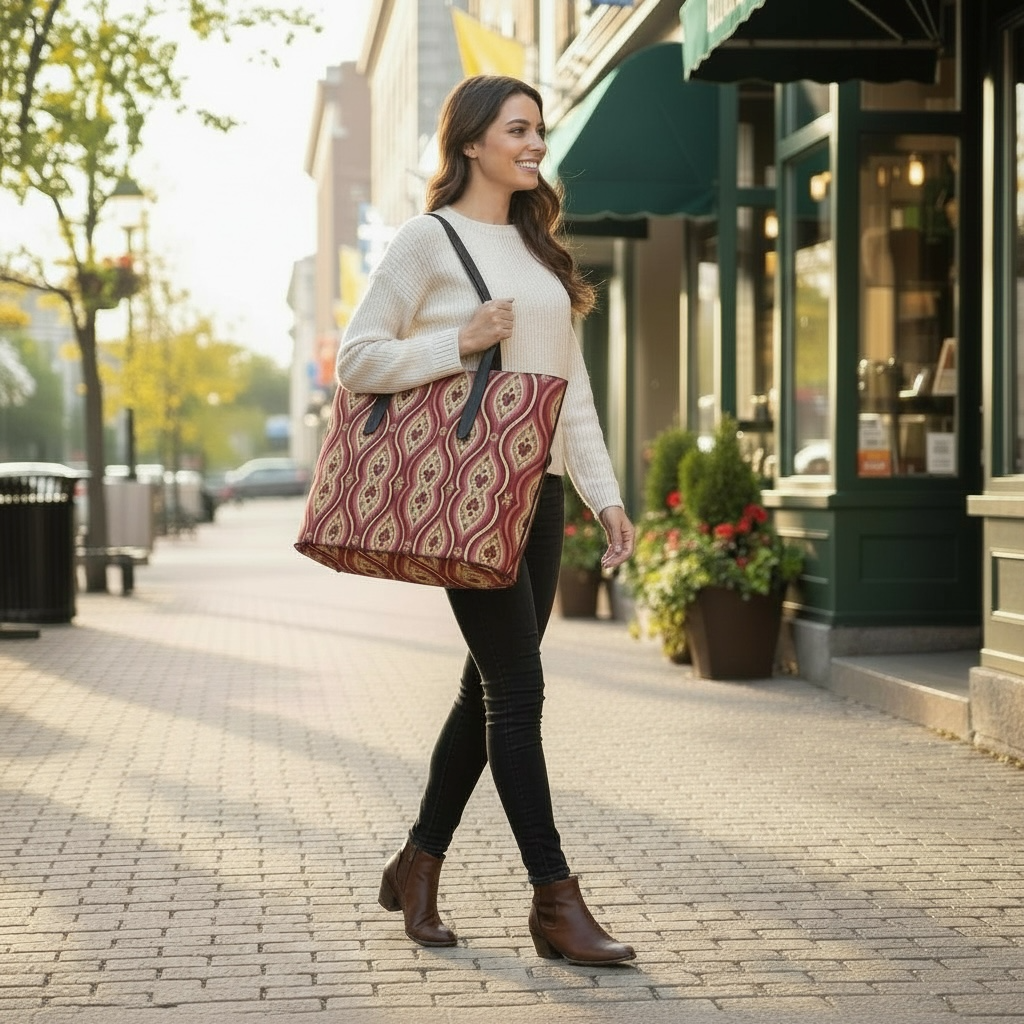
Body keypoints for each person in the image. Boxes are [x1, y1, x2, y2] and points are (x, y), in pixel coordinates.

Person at [336, 74, 636, 966]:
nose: (536, 142)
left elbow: (568, 387)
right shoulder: (426, 243)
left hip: (534, 493)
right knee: (520, 692)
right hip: (466, 494)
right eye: (519, 128)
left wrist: (604, 494)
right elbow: (357, 359)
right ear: (471, 142)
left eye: (539, 129)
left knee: (488, 686)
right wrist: (457, 342)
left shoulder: (537, 249)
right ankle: (554, 900)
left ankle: (417, 863)